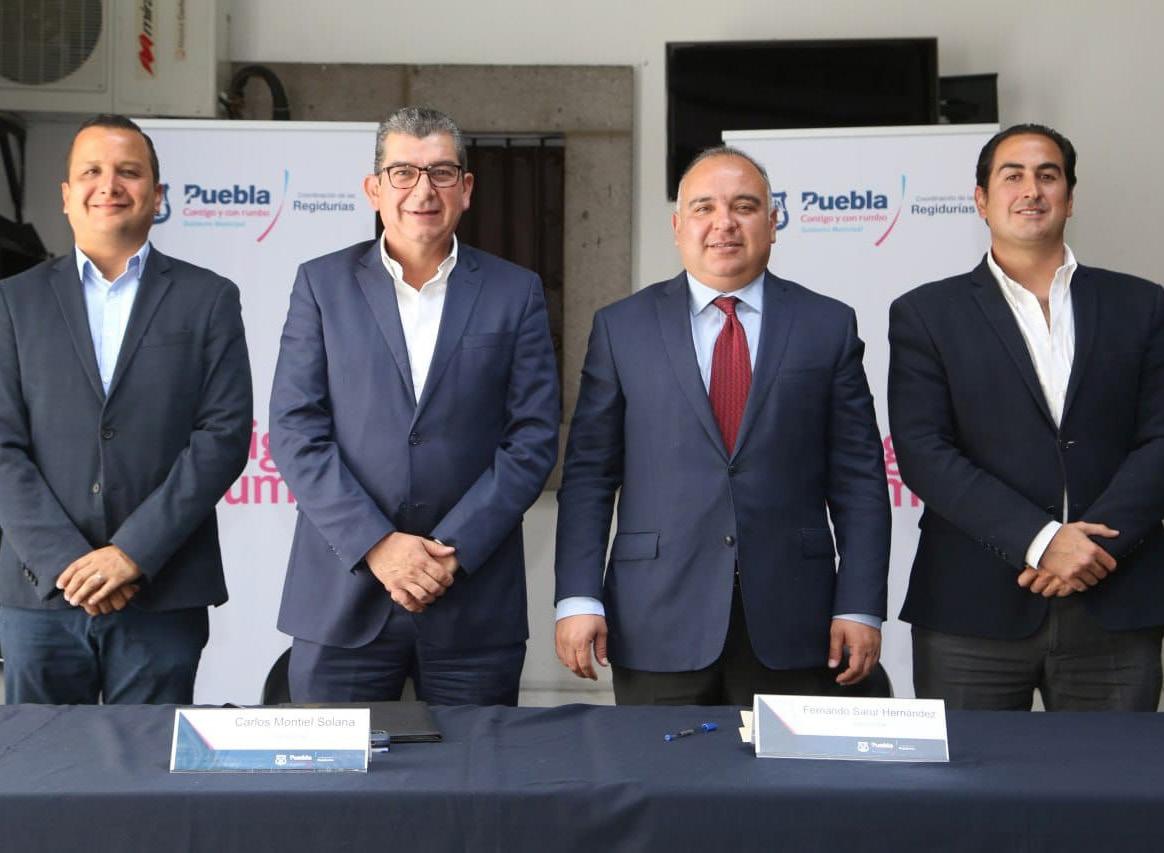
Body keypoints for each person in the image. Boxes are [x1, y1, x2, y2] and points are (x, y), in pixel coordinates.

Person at [554, 147, 891, 705]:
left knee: (786, 767)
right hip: (655, 617)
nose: (724, 223)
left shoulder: (826, 325)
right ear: (677, 226)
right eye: (704, 207)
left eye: (744, 206)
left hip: (795, 621)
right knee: (658, 765)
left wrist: (859, 605)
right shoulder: (621, 328)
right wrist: (578, 597)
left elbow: (859, 479)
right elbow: (589, 475)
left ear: (773, 222)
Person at [270, 106, 559, 706]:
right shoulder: (321, 285)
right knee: (332, 766)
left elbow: (531, 439)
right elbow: (297, 430)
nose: (422, 190)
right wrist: (378, 545)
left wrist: (449, 554)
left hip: (472, 601)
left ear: (466, 188)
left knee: (475, 766)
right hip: (343, 596)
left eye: (441, 172)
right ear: (374, 189)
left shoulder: (515, 291)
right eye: (402, 172)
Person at [889, 124, 1164, 711]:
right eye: (1012, 176)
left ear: (1070, 196)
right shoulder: (926, 313)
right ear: (982, 200)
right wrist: (1042, 542)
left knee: (1112, 772)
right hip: (971, 609)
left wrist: (1089, 552)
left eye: (1048, 175)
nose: (1031, 190)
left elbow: (1160, 439)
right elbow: (924, 451)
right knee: (969, 773)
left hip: (1115, 600)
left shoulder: (1144, 305)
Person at [0, 114, 252, 704]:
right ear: (66, 195)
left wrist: (132, 553)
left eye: (128, 172)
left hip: (162, 590)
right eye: (91, 171)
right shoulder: (13, 302)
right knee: (40, 757)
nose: (109, 185)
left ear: (157, 196)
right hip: (40, 594)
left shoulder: (209, 298)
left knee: (150, 761)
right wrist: (69, 563)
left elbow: (222, 436)